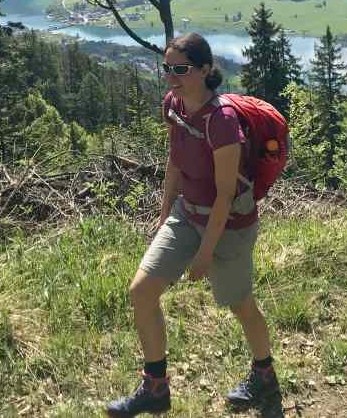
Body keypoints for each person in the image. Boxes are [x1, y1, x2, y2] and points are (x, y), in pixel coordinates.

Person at [106, 33, 279, 417]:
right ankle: (155, 388)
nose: (170, 76)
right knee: (142, 291)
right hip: (187, 213)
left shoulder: (222, 122)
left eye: (180, 69)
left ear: (204, 70)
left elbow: (224, 194)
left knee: (240, 304)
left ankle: (265, 375)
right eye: (166, 68)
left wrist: (203, 253)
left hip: (230, 224)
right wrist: (165, 212)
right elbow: (175, 161)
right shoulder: (174, 104)